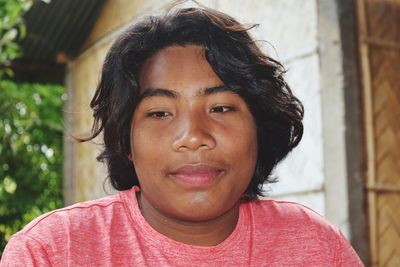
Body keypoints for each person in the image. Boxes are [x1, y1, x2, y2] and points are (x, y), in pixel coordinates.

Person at [1, 4, 364, 266]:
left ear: (259, 127)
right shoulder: (50, 252)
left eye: (221, 108)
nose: (193, 137)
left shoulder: (316, 247)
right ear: (127, 141)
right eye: (159, 113)